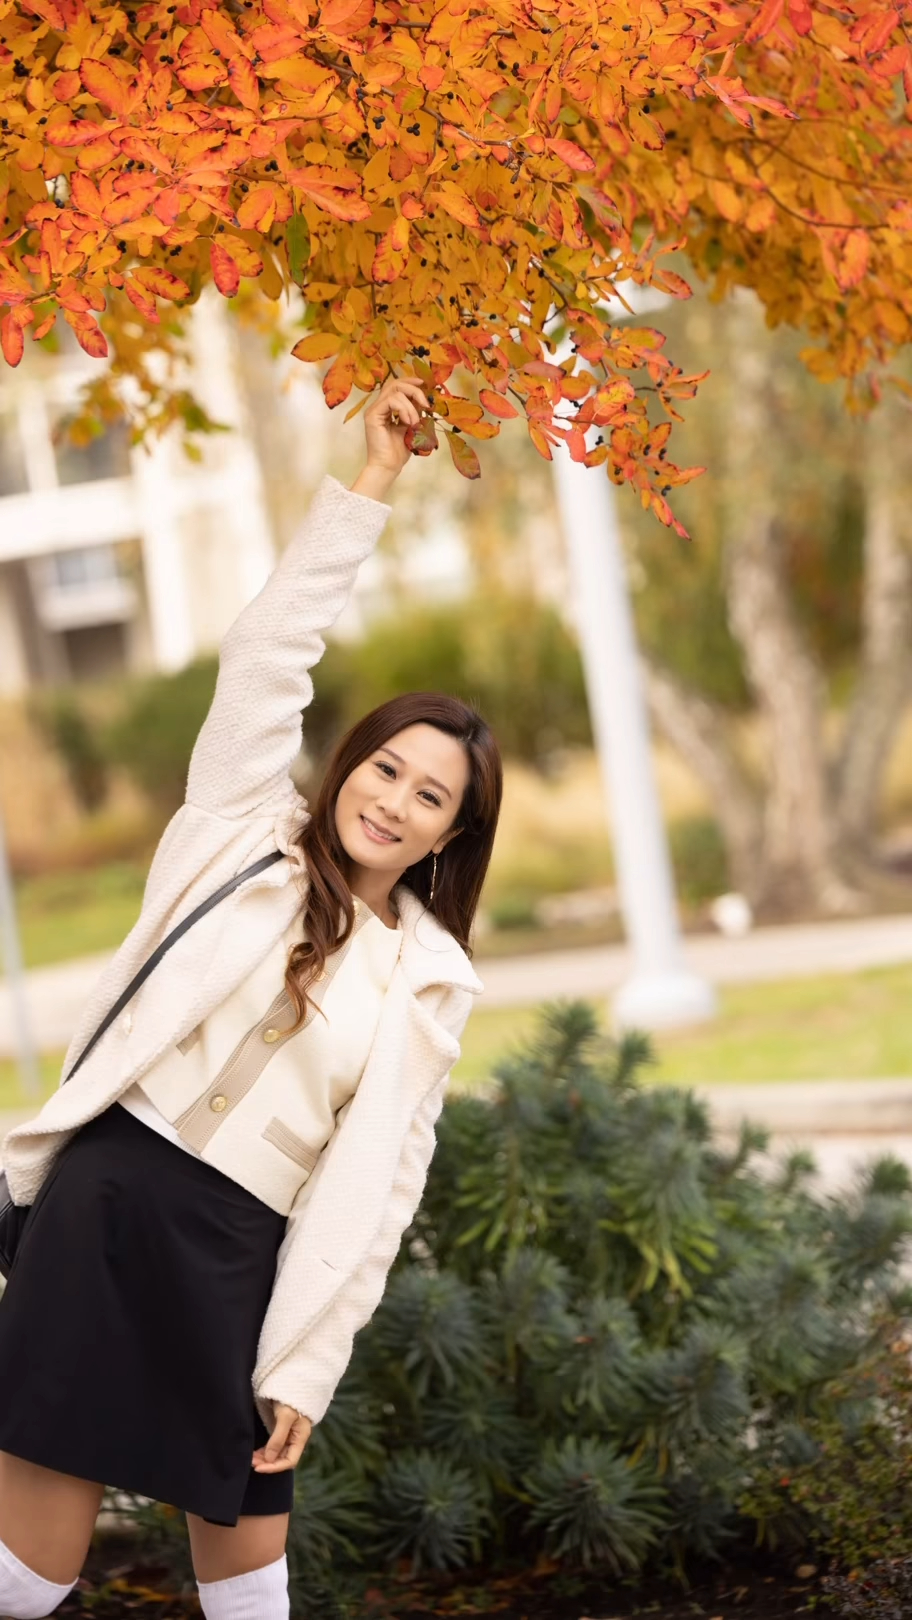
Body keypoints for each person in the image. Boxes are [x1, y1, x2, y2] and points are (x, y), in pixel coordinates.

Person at [0, 375, 503, 1620]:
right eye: (384, 765)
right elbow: (269, 651)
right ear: (350, 765)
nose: (392, 799)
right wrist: (373, 481)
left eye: (428, 796)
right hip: (106, 1204)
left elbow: (380, 1188)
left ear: (449, 835)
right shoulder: (237, 833)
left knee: (249, 1593)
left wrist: (309, 1365)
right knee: (27, 1578)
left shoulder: (428, 978)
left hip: (241, 1260)